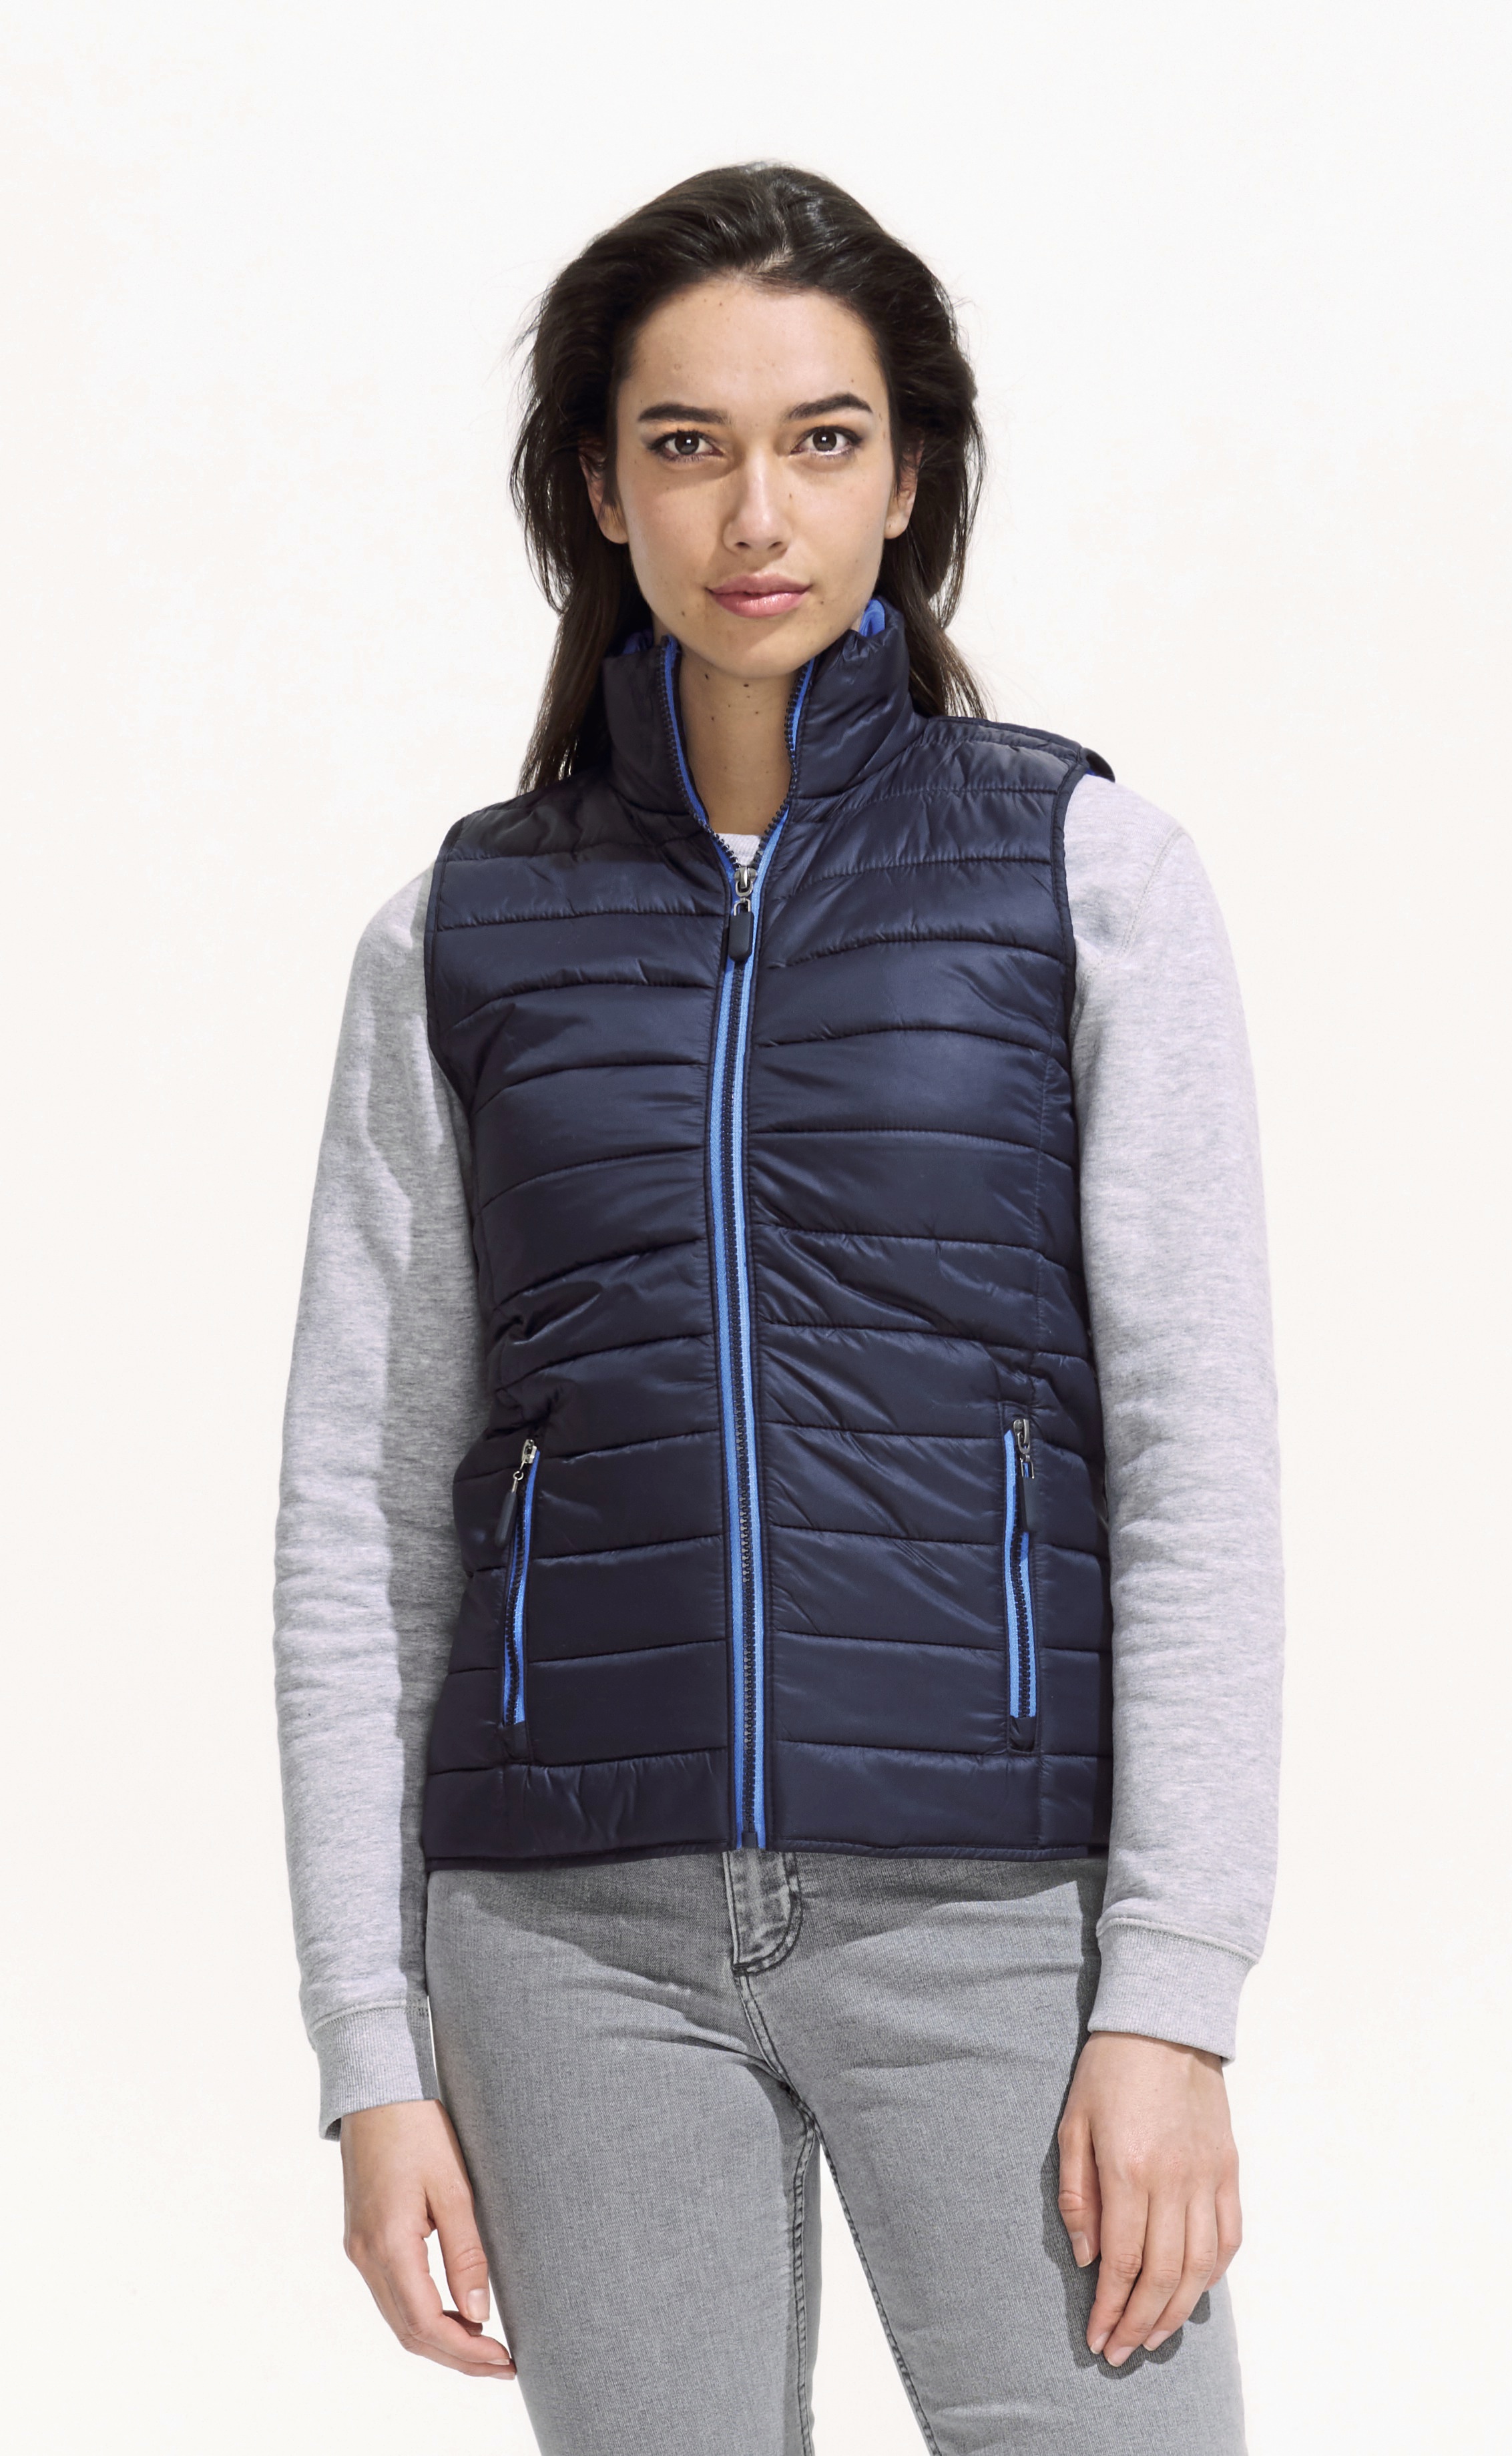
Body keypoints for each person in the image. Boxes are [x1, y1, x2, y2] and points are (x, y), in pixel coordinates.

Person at [273, 161, 1283, 2456]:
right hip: (565, 1938)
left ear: (907, 479)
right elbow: (362, 1519)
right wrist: (370, 2051)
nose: (757, 513)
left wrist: (1171, 1996)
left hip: (995, 1916)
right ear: (595, 488)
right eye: (686, 443)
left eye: (823, 440)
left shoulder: (1084, 878)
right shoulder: (458, 935)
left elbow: (1196, 1461)